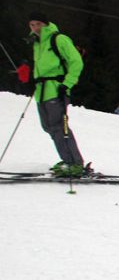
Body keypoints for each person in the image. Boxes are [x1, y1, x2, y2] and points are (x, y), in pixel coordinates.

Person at [27, 13, 87, 177]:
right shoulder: (36, 42)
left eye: (38, 24)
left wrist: (67, 84)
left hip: (56, 89)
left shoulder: (59, 39)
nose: (35, 28)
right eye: (32, 24)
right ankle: (67, 159)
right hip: (42, 91)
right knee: (48, 127)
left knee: (59, 127)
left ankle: (74, 163)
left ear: (46, 24)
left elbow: (76, 61)